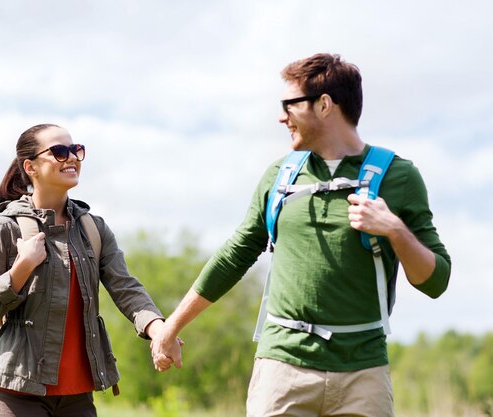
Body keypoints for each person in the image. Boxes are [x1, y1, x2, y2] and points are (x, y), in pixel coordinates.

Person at [150, 53, 451, 416]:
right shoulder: (279, 176)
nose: (281, 117)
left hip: (364, 373)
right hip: (282, 370)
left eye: (289, 105)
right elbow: (234, 255)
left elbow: (435, 282)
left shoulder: (399, 177)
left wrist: (395, 230)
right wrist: (171, 327)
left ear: (324, 105)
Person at [0, 123, 178, 417]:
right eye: (59, 151)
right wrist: (21, 269)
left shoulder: (94, 229)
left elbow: (126, 289)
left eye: (76, 150)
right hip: (16, 390)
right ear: (30, 167)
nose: (71, 157)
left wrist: (160, 331)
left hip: (77, 395)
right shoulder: (6, 227)